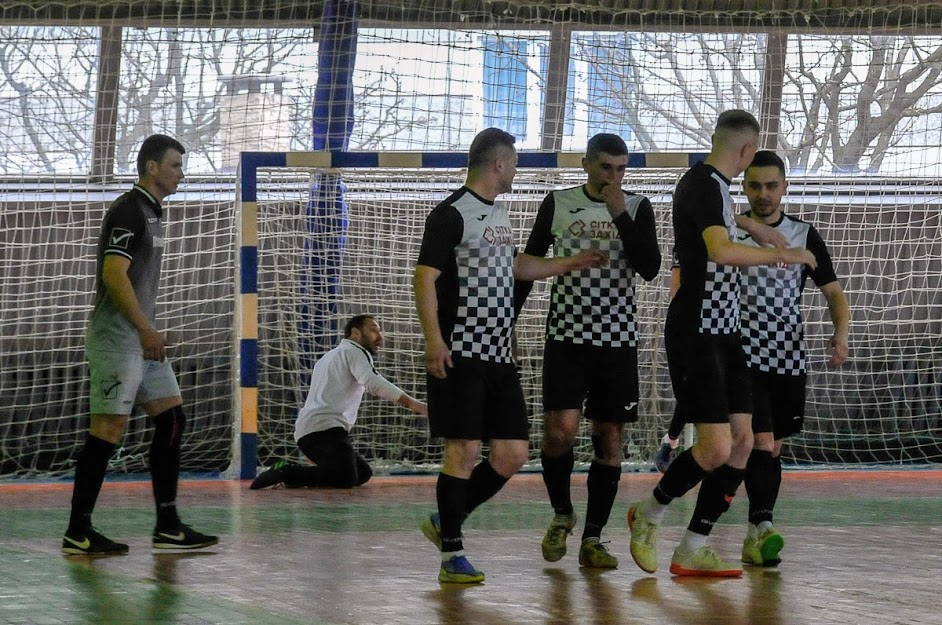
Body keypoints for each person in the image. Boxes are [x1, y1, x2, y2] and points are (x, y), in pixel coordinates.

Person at [627, 111, 817, 577]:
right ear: (747, 153)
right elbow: (718, 249)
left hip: (726, 333)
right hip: (697, 331)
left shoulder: (714, 187)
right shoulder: (703, 184)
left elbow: (724, 228)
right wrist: (783, 252)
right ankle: (647, 514)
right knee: (713, 449)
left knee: (743, 443)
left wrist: (757, 229)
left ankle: (693, 547)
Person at [413, 127, 604, 584]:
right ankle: (451, 554)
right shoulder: (451, 214)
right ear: (498, 164)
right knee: (462, 449)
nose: (517, 169)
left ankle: (446, 520)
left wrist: (567, 264)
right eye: (514, 162)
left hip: (500, 356)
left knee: (513, 453)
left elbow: (515, 266)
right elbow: (423, 279)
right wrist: (434, 340)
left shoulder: (499, 214)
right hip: (461, 352)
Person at [653, 152, 849, 568]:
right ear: (743, 187)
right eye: (755, 185)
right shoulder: (723, 228)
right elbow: (684, 278)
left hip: (788, 357)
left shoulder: (802, 234)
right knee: (749, 441)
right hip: (738, 351)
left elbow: (832, 291)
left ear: (785, 187)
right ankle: (752, 529)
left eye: (771, 185)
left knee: (770, 447)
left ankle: (753, 532)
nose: (763, 194)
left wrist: (841, 333)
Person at [62, 134, 218, 555]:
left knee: (171, 418)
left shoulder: (152, 212)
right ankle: (78, 530)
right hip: (117, 339)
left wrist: (149, 330)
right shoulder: (129, 211)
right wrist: (145, 330)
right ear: (152, 168)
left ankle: (167, 524)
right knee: (107, 432)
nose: (180, 174)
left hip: (140, 337)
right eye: (175, 166)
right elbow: (114, 275)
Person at [515, 133, 660, 569]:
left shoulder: (636, 207)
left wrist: (619, 213)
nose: (612, 177)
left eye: (620, 169)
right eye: (604, 168)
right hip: (566, 338)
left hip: (616, 343)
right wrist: (507, 321)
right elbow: (528, 264)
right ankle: (562, 513)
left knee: (608, 439)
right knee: (558, 431)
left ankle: (594, 538)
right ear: (586, 165)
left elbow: (650, 268)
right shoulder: (557, 202)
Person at [250, 314, 428, 490]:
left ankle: (303, 475)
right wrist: (415, 405)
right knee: (345, 478)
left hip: (312, 432)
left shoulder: (331, 356)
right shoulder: (354, 351)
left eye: (380, 331)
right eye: (373, 330)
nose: (380, 337)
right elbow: (374, 383)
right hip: (325, 430)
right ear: (355, 333)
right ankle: (285, 472)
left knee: (362, 473)